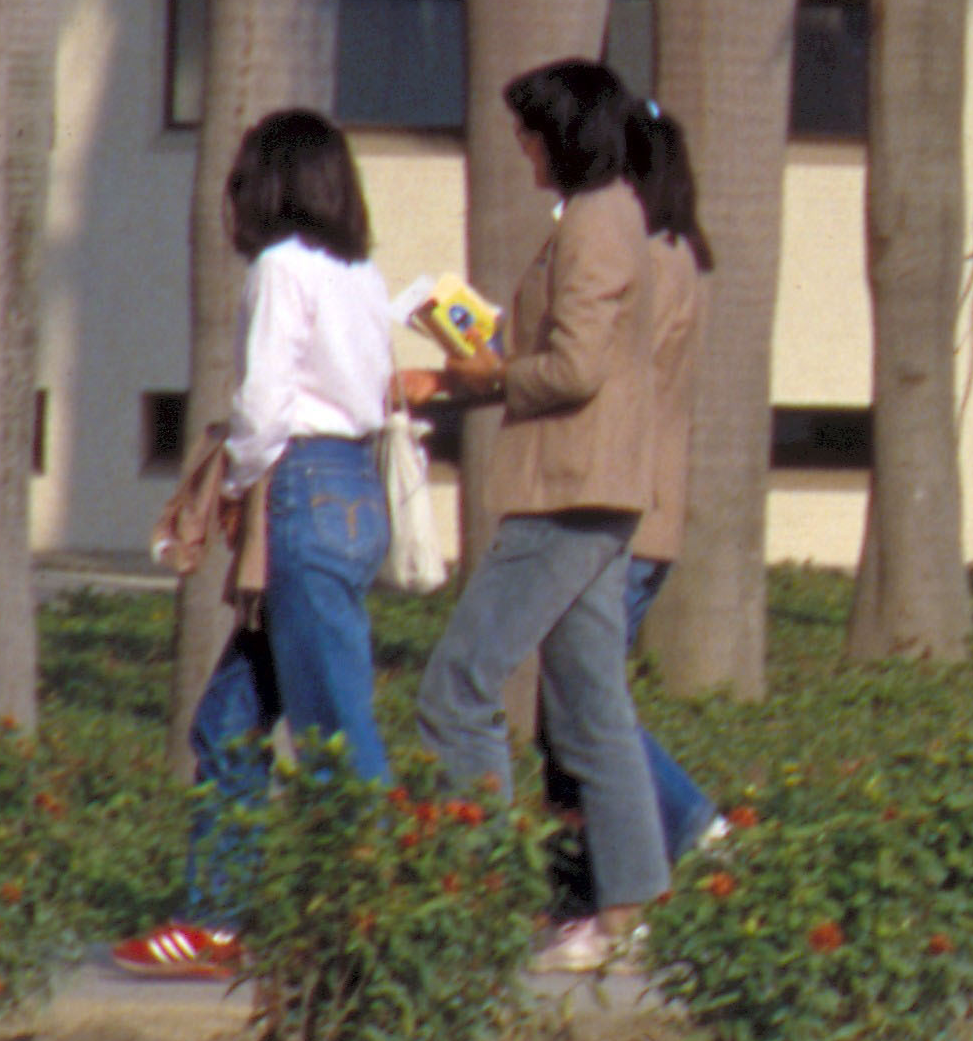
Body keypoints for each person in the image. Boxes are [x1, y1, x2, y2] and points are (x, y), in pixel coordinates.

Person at [401, 58, 674, 974]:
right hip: (598, 489)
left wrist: (490, 373)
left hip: (568, 491)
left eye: (528, 132)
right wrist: (470, 372)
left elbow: (574, 369)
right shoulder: (613, 213)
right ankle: (629, 911)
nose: (521, 147)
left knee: (457, 687)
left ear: (563, 135)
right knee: (591, 702)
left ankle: (482, 901)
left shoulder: (594, 224)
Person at [116, 111, 402, 978]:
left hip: (301, 486)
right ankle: (216, 918)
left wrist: (236, 481)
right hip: (352, 486)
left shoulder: (280, 267)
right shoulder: (359, 271)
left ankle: (378, 921)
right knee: (230, 720)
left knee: (333, 729)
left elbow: (265, 402)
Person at [543, 101, 717, 904]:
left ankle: (685, 827)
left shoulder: (651, 262)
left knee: (587, 706)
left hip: (626, 515)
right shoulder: (675, 256)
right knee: (579, 702)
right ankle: (596, 873)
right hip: (645, 514)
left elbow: (600, 370)